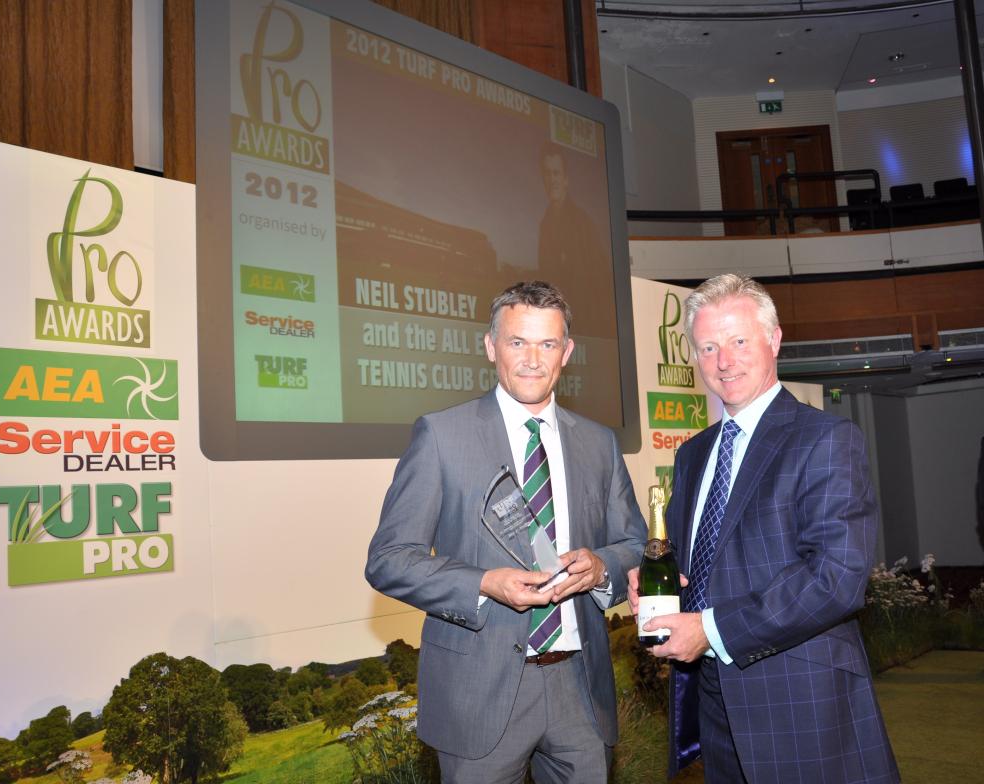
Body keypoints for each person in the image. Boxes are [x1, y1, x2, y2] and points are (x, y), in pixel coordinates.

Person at [366, 281, 646, 783]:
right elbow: (389, 558)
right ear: (491, 346)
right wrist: (483, 583)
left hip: (580, 691)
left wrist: (602, 567)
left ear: (567, 352)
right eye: (518, 342)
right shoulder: (441, 436)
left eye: (547, 344)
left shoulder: (599, 443)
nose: (533, 360)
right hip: (478, 694)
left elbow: (634, 545)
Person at [629, 273, 899, 783]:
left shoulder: (826, 438)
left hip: (800, 703)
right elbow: (697, 562)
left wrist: (711, 630)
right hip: (713, 703)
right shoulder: (692, 455)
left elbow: (835, 578)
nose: (723, 361)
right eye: (708, 348)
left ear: (773, 339)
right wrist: (655, 584)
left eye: (738, 341)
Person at [536, 144, 613, 336]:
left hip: (584, 326)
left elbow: (597, 281)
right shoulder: (545, 225)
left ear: (565, 179)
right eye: (547, 174)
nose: (552, 179)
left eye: (556, 173)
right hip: (555, 327)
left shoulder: (582, 223)